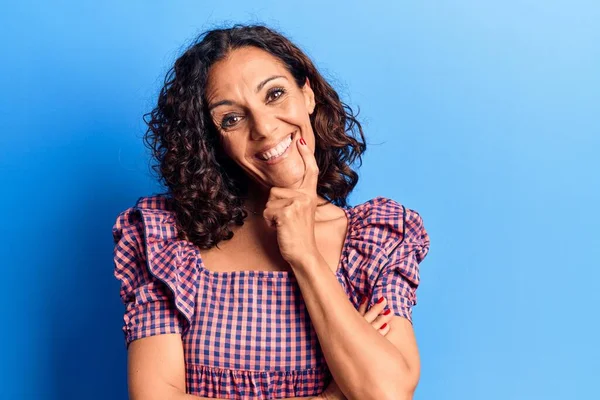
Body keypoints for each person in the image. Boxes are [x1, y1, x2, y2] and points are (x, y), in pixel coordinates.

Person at [112, 23, 430, 400]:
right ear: (214, 142)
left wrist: (304, 254)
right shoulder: (168, 240)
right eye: (232, 118)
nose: (264, 127)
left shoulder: (378, 238)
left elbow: (387, 395)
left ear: (307, 93)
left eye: (275, 94)